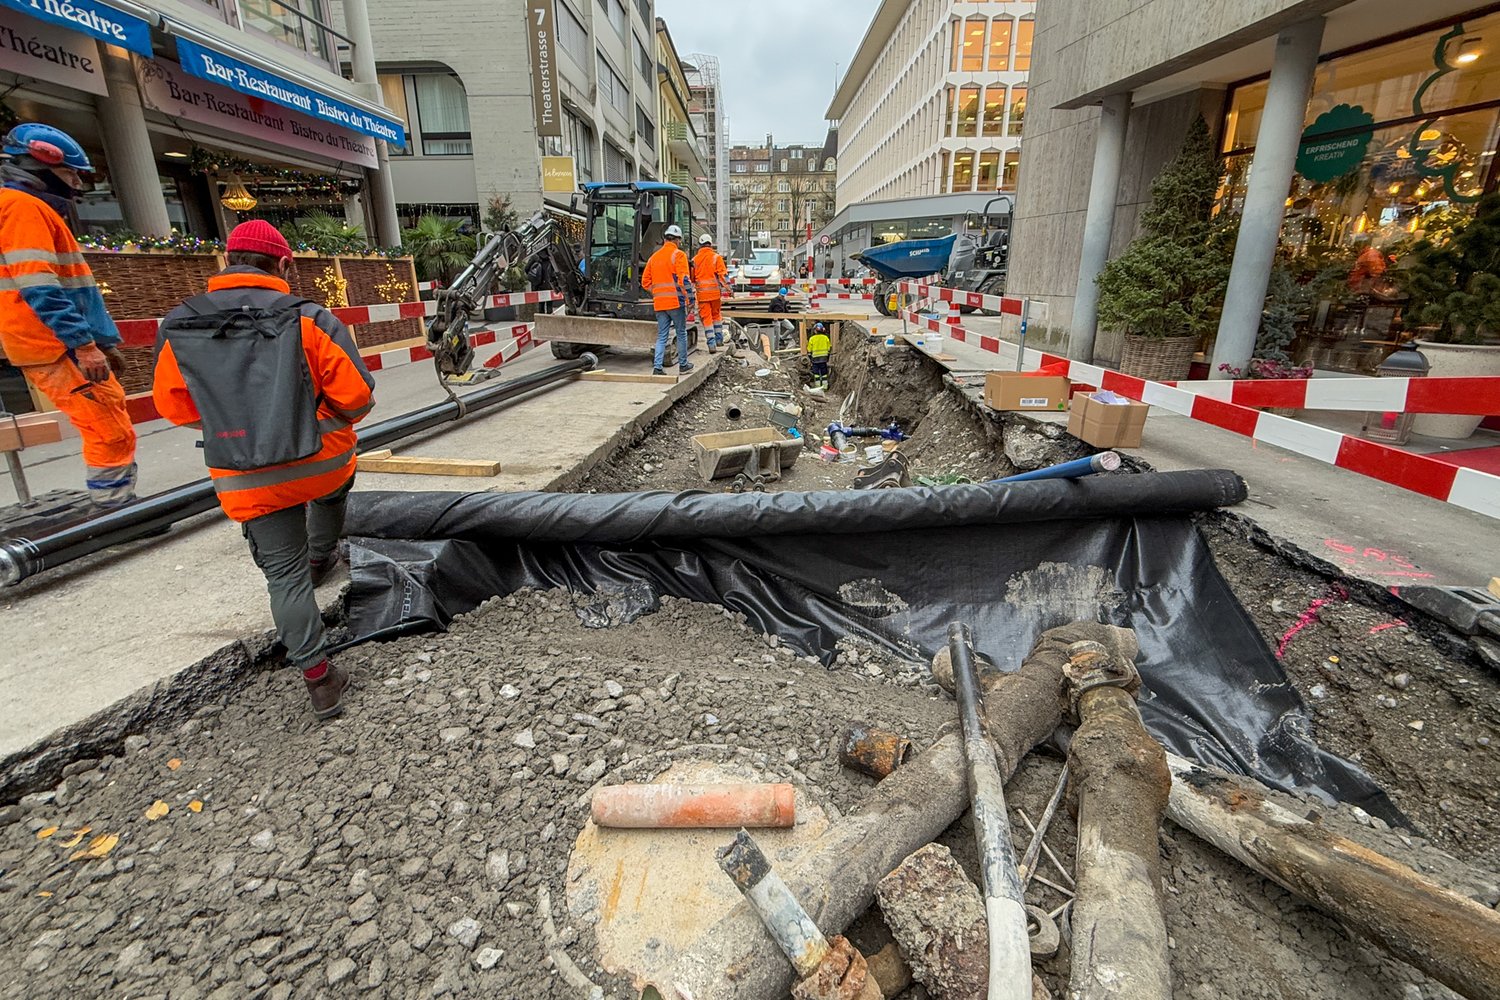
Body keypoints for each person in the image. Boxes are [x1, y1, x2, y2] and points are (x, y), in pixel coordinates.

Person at [152, 221, 375, 720]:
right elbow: (357, 398)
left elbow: (174, 405)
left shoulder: (181, 324)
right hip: (321, 461)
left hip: (246, 474)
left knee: (283, 576)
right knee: (336, 487)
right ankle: (323, 554)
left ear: (227, 261)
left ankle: (320, 681)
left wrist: (237, 426)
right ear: (284, 266)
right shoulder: (311, 319)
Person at [0, 123, 136, 506]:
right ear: (38, 167)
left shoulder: (25, 209)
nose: (77, 183)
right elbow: (41, 288)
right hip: (54, 345)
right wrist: (85, 344)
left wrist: (99, 342)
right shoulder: (23, 209)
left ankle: (118, 501)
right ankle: (115, 506)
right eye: (70, 173)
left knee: (109, 416)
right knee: (107, 429)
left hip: (54, 344)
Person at [641, 223, 694, 376]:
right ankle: (683, 365)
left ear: (664, 239)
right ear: (677, 240)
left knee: (662, 335)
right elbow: (684, 280)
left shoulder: (653, 258)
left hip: (659, 304)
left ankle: (658, 367)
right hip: (675, 302)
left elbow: (645, 282)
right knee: (681, 332)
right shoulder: (678, 255)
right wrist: (690, 299)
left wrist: (657, 293)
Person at [693, 233, 730, 353]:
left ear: (700, 245)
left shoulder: (695, 260)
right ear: (710, 244)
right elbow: (723, 275)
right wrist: (729, 289)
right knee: (716, 316)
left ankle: (711, 344)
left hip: (702, 295)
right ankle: (719, 340)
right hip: (715, 294)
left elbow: (692, 278)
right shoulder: (716, 258)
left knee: (707, 319)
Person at [808, 322, 832, 390]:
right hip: (824, 358)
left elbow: (809, 349)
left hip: (815, 359)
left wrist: (810, 356)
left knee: (816, 373)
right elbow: (829, 348)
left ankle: (818, 387)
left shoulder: (812, 338)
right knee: (824, 372)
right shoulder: (825, 338)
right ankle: (825, 387)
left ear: (815, 330)